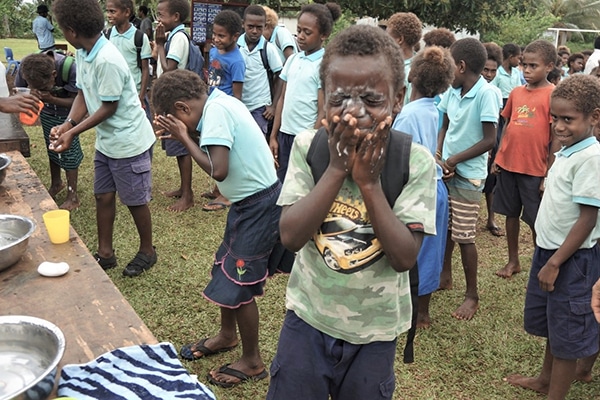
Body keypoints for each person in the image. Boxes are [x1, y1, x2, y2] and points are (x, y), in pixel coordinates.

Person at [265, 24, 436, 400]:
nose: (354, 112)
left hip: (374, 332)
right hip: (308, 318)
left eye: (372, 100)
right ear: (324, 98)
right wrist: (337, 170)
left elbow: (405, 256)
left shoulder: (416, 162)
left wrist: (370, 184)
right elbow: (290, 237)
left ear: (398, 99)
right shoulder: (311, 148)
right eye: (340, 99)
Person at [151, 69, 280, 388]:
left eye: (178, 120)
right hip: (249, 202)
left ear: (182, 108)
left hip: (259, 206)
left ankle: (252, 362)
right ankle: (226, 335)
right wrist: (187, 133)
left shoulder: (217, 114)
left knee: (240, 281)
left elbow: (218, 171)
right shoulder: (218, 100)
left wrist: (184, 137)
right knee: (224, 267)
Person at [505, 74, 600, 400]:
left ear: (594, 118)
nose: (558, 126)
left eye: (568, 119)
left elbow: (588, 219)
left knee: (568, 333)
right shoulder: (569, 150)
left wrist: (556, 262)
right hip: (552, 254)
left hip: (572, 260)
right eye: (555, 118)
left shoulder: (591, 159)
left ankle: (554, 394)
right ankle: (545, 380)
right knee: (554, 323)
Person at [50, 0, 157, 277]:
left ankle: (148, 251)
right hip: (107, 143)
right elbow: (84, 94)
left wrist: (73, 133)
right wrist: (67, 123)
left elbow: (109, 107)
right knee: (103, 196)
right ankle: (106, 254)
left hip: (128, 141)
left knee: (134, 200)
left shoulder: (106, 59)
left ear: (72, 31)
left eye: (62, 29)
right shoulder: (85, 53)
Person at [437, 38, 499, 321]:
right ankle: (445, 274)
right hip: (447, 168)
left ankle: (472, 294)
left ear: (460, 66)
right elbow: (444, 124)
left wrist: (454, 160)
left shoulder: (487, 94)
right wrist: (441, 156)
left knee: (464, 236)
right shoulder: (453, 91)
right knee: (447, 228)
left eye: (450, 67)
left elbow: (489, 140)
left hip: (469, 175)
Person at [392, 45, 454, 328]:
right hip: (437, 187)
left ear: (412, 76)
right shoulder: (435, 109)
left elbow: (401, 156)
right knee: (432, 248)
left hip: (416, 188)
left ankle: (414, 311)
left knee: (412, 246)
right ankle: (423, 313)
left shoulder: (407, 115)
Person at [492, 40, 560, 279]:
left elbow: (555, 138)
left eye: (534, 66)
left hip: (535, 169)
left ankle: (540, 262)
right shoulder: (516, 92)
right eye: (524, 65)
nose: (527, 70)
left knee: (536, 220)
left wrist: (548, 173)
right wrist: (498, 157)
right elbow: (509, 125)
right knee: (511, 214)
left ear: (549, 66)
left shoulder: (553, 95)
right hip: (509, 164)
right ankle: (513, 261)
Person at [269, 2, 341, 183]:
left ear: (324, 35)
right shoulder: (293, 59)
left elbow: (323, 110)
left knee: (303, 184)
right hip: (285, 134)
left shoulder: (324, 66)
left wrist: (312, 141)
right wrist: (274, 135)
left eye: (307, 33)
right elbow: (282, 99)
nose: (300, 36)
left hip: (306, 138)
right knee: (283, 182)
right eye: (299, 30)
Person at [16, 52, 83, 211]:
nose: (38, 91)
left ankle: (72, 196)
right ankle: (56, 183)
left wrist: (52, 99)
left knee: (69, 153)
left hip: (68, 117)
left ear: (54, 75)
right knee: (52, 148)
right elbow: (17, 90)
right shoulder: (27, 68)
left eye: (42, 87)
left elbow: (78, 101)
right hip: (47, 114)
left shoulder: (70, 68)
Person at [202, 9, 245, 211]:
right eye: (215, 35)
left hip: (225, 110)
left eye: (222, 36)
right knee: (212, 150)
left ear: (235, 36)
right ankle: (218, 188)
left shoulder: (236, 61)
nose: (217, 39)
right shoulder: (213, 51)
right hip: (213, 105)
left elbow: (237, 95)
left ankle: (226, 195)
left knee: (224, 154)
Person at [154, 0, 195, 212]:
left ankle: (188, 195)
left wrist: (160, 45)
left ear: (176, 17)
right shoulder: (175, 36)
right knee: (178, 147)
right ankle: (183, 188)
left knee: (181, 146)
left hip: (178, 99)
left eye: (161, 15)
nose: (158, 20)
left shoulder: (178, 38)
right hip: (173, 98)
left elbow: (168, 70)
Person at [237, 5, 283, 139]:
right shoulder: (236, 47)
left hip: (260, 108)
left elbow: (280, 76)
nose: (255, 31)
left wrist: (273, 106)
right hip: (240, 105)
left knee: (258, 143)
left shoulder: (268, 49)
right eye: (250, 26)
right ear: (243, 24)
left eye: (259, 28)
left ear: (265, 26)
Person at [105, 0, 152, 122]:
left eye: (113, 11)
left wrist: (141, 96)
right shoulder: (107, 35)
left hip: (133, 94)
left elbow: (145, 69)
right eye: (107, 11)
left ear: (126, 12)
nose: (108, 15)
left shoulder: (140, 38)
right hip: (113, 94)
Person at [481, 42, 505, 237]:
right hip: (473, 137)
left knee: (491, 182)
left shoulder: (495, 92)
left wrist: (493, 146)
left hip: (490, 138)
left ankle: (491, 218)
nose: (489, 74)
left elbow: (496, 121)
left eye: (492, 71)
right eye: (485, 70)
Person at [385, 12, 422, 105]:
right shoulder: (388, 63)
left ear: (400, 39)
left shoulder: (412, 71)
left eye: (387, 36)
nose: (384, 40)